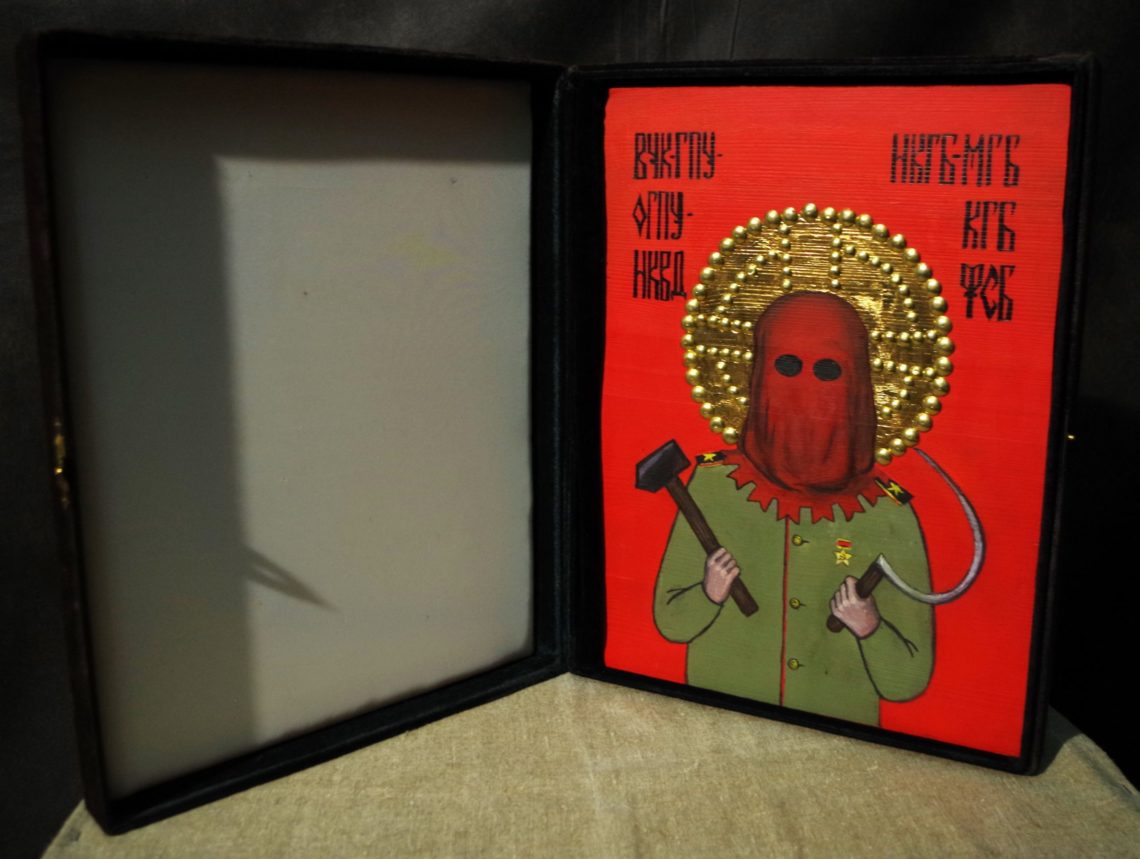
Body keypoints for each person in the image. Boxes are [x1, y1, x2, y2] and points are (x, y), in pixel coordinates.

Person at [653, 291, 933, 726]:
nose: (805, 390)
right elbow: (669, 621)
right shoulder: (712, 486)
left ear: (858, 387)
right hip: (715, 720)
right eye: (786, 366)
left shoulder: (888, 513)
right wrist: (709, 593)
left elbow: (909, 679)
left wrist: (869, 626)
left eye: (828, 371)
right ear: (758, 376)